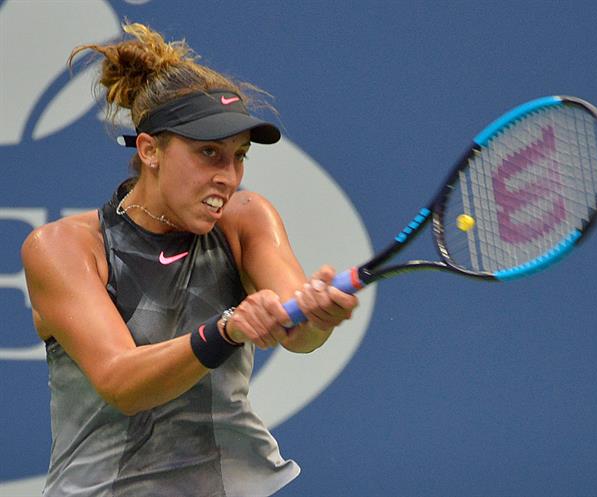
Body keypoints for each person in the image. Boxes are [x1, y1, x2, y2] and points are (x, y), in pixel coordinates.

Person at [20, 22, 358, 497]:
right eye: (208, 153)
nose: (229, 176)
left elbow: (296, 331)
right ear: (150, 149)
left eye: (239, 156)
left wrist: (319, 316)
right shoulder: (65, 247)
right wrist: (226, 330)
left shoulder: (247, 219)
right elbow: (122, 382)